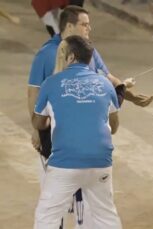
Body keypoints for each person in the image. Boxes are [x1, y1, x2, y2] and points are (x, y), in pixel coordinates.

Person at [27, 5, 152, 228]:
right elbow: (33, 91)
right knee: (91, 210)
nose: (89, 29)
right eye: (84, 25)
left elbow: (109, 79)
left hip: (67, 155)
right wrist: (36, 132)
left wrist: (132, 96)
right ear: (69, 26)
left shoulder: (88, 51)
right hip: (62, 144)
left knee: (60, 210)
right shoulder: (47, 54)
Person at [32, 35, 122, 229]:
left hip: (66, 163)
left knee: (47, 216)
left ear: (71, 57)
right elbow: (113, 127)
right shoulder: (106, 84)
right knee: (106, 215)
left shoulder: (51, 83)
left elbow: (38, 123)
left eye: (62, 54)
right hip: (101, 162)